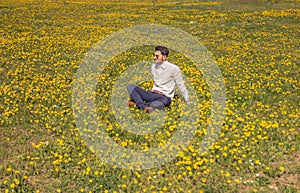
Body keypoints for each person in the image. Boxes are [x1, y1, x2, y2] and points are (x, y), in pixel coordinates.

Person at [127, 46, 190, 113]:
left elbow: (180, 85)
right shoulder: (153, 66)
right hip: (152, 93)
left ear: (164, 57)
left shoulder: (174, 69)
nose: (154, 58)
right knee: (131, 87)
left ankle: (139, 104)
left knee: (165, 101)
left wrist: (187, 99)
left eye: (157, 56)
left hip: (164, 96)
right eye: (154, 55)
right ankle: (144, 106)